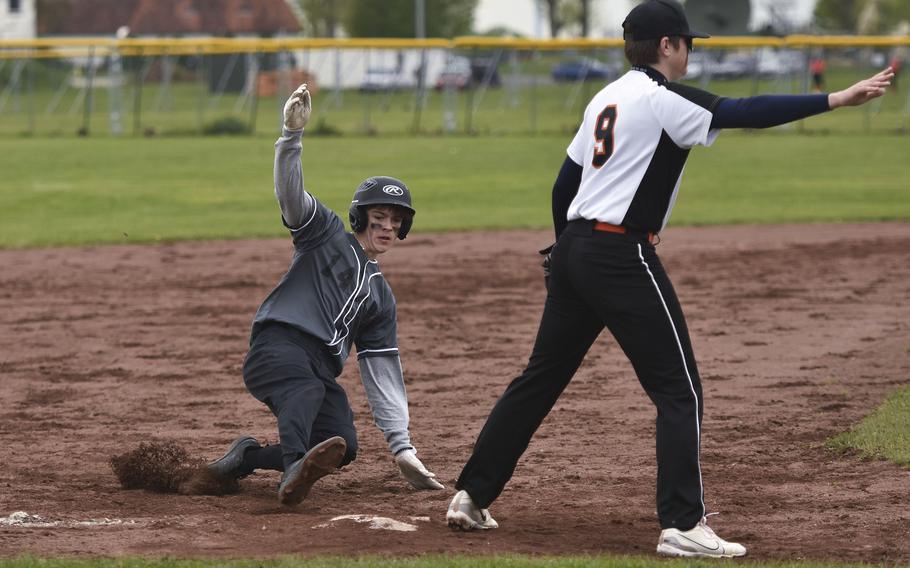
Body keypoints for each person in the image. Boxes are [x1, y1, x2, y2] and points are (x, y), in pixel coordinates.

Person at [445, 0, 893, 558]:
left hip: (577, 249)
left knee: (539, 378)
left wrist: (563, 251)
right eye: (688, 42)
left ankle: (471, 494)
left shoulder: (604, 96)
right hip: (620, 253)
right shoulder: (663, 97)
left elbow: (565, 186)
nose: (690, 51)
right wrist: (836, 98)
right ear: (666, 45)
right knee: (680, 391)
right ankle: (682, 522)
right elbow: (746, 109)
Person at [208, 84, 444, 505]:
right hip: (277, 347)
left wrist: (402, 447)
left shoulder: (382, 299)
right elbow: (291, 195)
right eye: (379, 217)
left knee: (341, 443)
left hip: (317, 367)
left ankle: (247, 457)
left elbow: (382, 374)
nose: (388, 226)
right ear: (359, 217)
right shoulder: (326, 233)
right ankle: (295, 467)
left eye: (396, 221)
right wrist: (290, 137)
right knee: (307, 392)